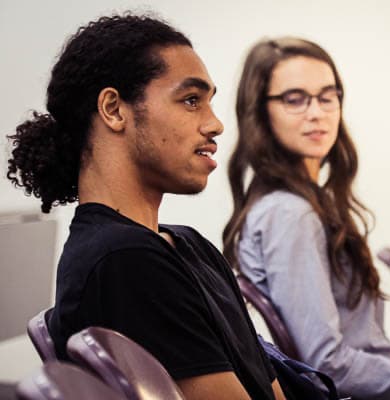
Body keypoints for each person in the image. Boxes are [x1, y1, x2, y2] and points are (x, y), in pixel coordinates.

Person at [6, 14, 286, 400]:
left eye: (208, 102)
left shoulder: (187, 245)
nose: (216, 124)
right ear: (114, 109)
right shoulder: (125, 263)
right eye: (191, 100)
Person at [223, 37, 390, 400]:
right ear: (260, 112)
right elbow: (328, 365)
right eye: (295, 99)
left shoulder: (308, 202)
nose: (317, 112)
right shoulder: (290, 214)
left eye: (328, 96)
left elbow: (365, 348)